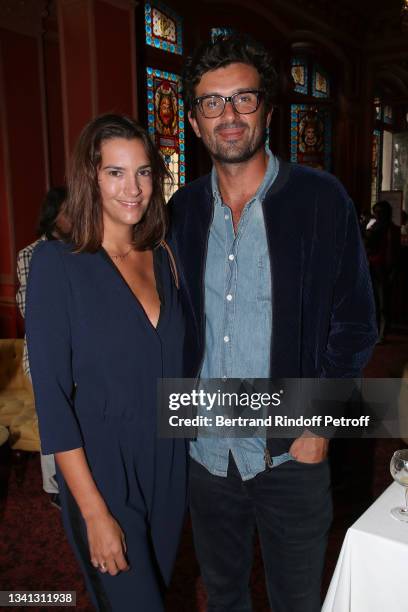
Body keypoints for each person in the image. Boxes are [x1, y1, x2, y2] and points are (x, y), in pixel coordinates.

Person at [168, 33, 377, 612]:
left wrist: (317, 430)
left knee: (295, 601)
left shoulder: (320, 199)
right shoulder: (180, 211)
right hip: (207, 453)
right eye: (213, 103)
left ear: (267, 111)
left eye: (243, 99)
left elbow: (356, 325)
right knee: (224, 595)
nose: (229, 115)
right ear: (193, 121)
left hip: (289, 454)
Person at [26, 114, 188, 611]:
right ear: (89, 177)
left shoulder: (164, 253)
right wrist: (95, 512)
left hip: (170, 462)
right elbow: (51, 401)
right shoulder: (57, 264)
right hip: (101, 468)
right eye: (115, 172)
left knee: (157, 589)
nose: (132, 188)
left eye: (142, 172)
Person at [16, 186, 67, 509]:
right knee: (53, 420)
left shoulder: (84, 250)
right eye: (68, 211)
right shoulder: (30, 254)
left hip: (79, 356)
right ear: (53, 215)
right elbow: (27, 309)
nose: (74, 217)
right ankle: (55, 487)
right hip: (42, 357)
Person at [365, 200, 401, 342]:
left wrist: (394, 271)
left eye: (380, 212)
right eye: (376, 212)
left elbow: (395, 253)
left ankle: (382, 332)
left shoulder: (392, 229)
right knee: (374, 301)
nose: (377, 215)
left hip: (384, 268)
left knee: (383, 303)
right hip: (372, 265)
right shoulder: (375, 227)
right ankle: (375, 330)